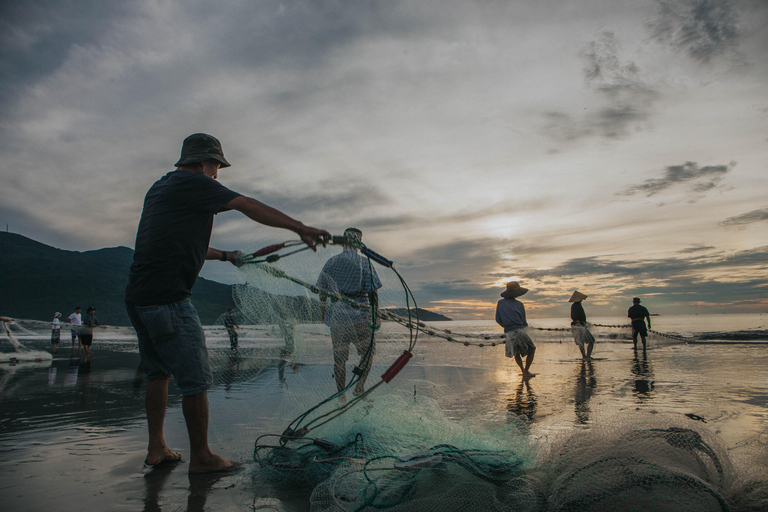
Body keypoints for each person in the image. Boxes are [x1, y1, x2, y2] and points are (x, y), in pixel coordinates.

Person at [125, 133, 330, 473]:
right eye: (217, 166)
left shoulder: (160, 188)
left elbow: (180, 244)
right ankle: (202, 458)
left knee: (158, 373)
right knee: (196, 380)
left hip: (139, 295)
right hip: (168, 298)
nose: (217, 174)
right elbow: (245, 203)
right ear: (204, 162)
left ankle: (157, 447)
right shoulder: (194, 182)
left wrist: (226, 256)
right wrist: (300, 227)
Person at [316, 227, 382, 396]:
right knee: (368, 354)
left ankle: (341, 395)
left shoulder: (331, 262)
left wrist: (324, 310)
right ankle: (359, 386)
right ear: (359, 242)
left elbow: (322, 292)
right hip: (361, 317)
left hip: (338, 318)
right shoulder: (365, 262)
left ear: (344, 242)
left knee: (339, 360)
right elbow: (372, 293)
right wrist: (376, 315)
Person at [495, 281, 536, 379]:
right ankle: (526, 371)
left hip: (508, 330)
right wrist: (526, 328)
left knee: (516, 351)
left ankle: (523, 370)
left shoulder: (500, 303)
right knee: (532, 349)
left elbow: (498, 319)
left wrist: (507, 327)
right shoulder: (519, 304)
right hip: (519, 329)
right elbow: (523, 321)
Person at [569, 291, 595, 359]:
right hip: (578, 326)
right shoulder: (576, 305)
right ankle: (586, 356)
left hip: (578, 326)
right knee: (590, 341)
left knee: (581, 342)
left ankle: (585, 356)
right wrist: (579, 324)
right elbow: (574, 317)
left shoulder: (577, 305)